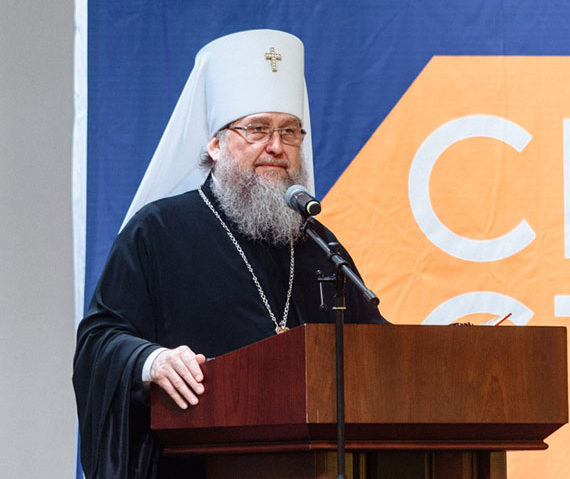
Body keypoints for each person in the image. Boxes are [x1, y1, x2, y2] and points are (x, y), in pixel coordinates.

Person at [73, 29, 387, 479]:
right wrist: (152, 361)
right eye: (257, 129)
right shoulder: (157, 232)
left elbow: (374, 347)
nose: (276, 147)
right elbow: (99, 340)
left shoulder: (318, 245)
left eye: (289, 132)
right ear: (215, 144)